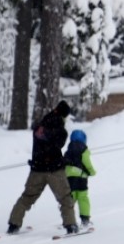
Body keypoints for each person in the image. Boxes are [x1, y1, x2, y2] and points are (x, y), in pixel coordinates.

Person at [6, 100, 79, 235]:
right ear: (64, 115)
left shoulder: (40, 125)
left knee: (27, 197)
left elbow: (43, 144)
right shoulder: (61, 130)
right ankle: (71, 226)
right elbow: (57, 145)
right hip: (54, 170)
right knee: (65, 198)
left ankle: (13, 224)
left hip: (37, 169)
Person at [63, 129, 97, 228]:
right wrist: (91, 171)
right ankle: (85, 219)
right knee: (83, 197)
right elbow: (86, 162)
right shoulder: (84, 149)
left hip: (69, 177)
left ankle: (68, 220)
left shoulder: (68, 149)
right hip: (81, 177)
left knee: (71, 198)